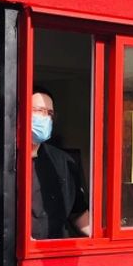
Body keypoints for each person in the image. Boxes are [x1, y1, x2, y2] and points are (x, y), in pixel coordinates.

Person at [30, 87, 91, 239]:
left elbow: (78, 211)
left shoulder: (62, 161)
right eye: (38, 110)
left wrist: (99, 238)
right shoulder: (4, 161)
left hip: (54, 251)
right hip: (18, 253)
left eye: (49, 113)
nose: (45, 118)